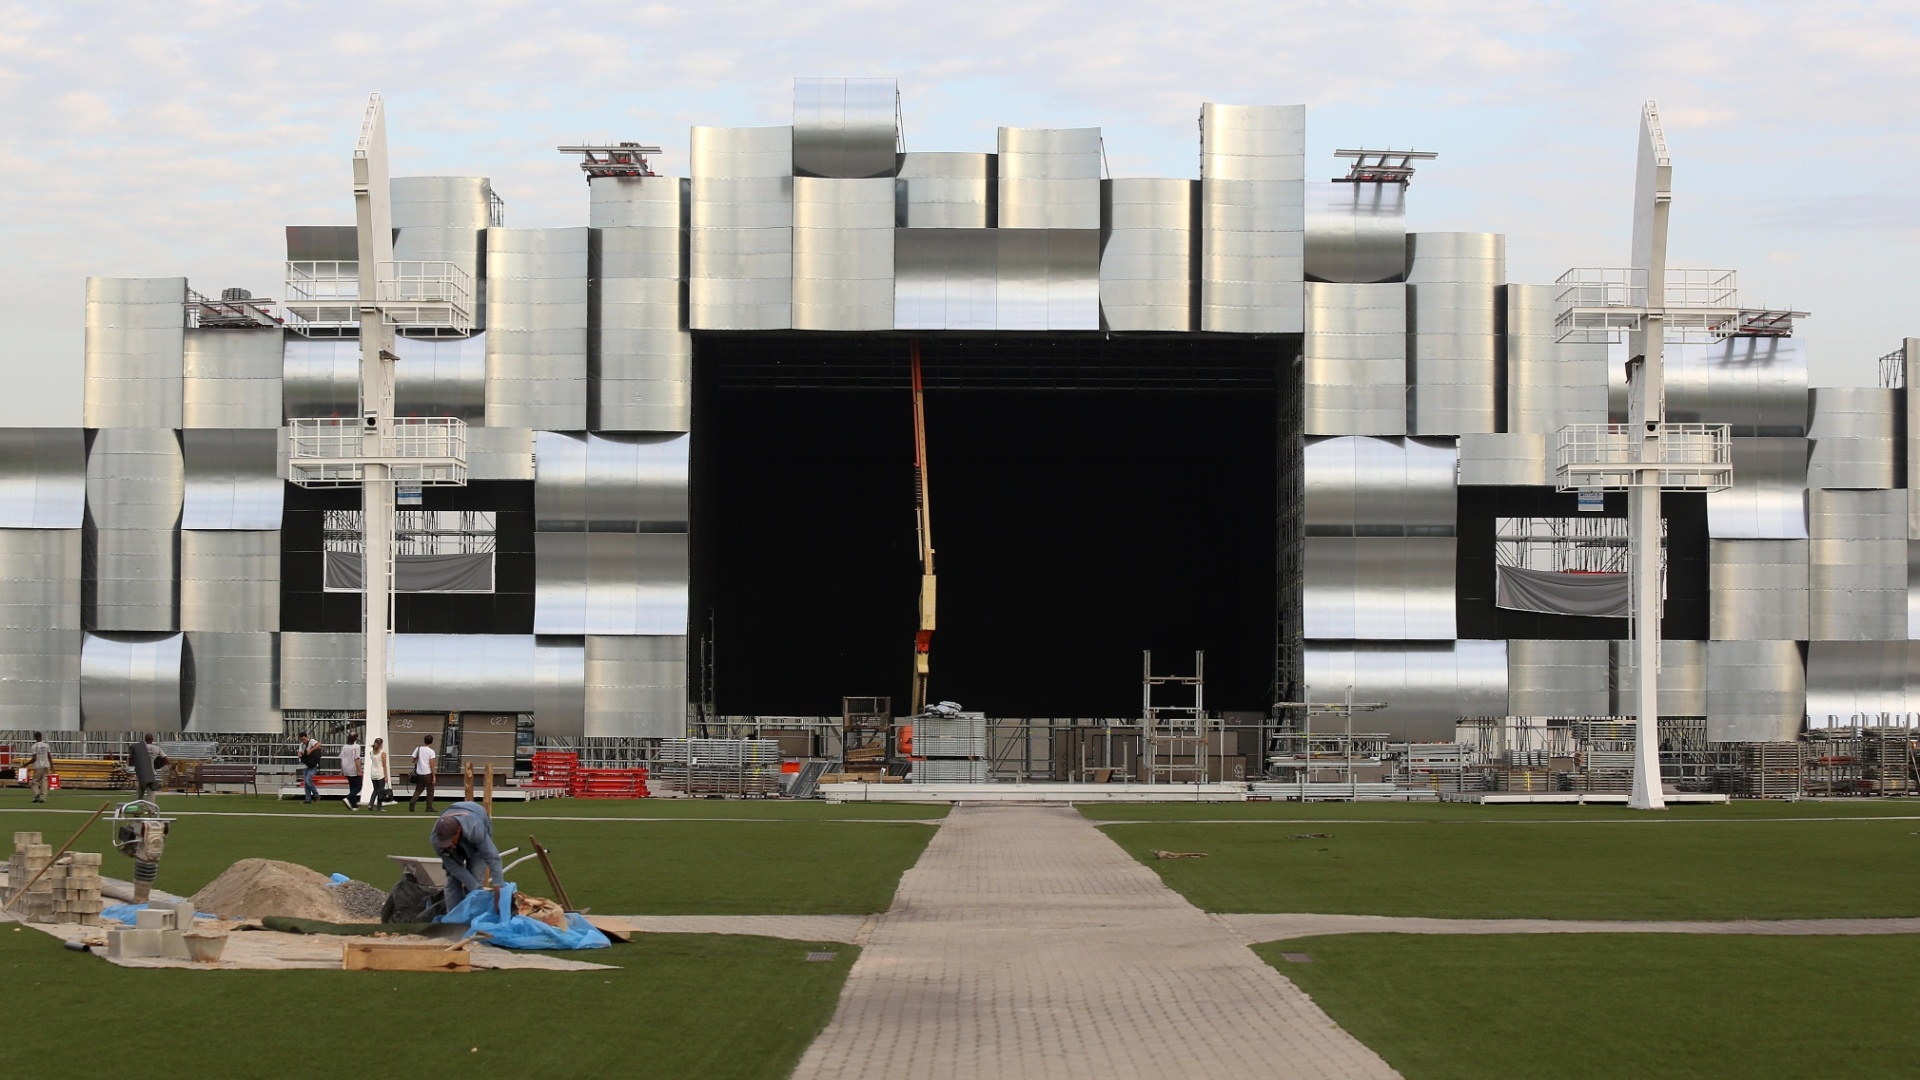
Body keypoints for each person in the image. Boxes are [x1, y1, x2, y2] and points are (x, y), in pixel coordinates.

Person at [430, 801, 505, 911]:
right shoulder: (436, 840)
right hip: (457, 814)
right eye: (445, 842)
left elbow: (492, 857)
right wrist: (476, 887)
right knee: (453, 880)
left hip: (477, 815)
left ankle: (475, 916)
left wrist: (498, 887)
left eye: (450, 841)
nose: (449, 844)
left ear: (458, 830)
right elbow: (454, 868)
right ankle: (453, 919)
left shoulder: (475, 828)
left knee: (476, 874)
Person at [129, 734, 167, 800]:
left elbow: (130, 758)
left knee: (140, 791)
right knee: (151, 792)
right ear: (152, 739)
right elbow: (166, 759)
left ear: (145, 739)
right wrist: (158, 765)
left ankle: (137, 807)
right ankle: (151, 809)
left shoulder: (140, 748)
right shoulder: (157, 748)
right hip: (151, 772)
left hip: (141, 772)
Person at [407, 735, 437, 813]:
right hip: (427, 773)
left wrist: (419, 760)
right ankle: (429, 807)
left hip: (419, 773)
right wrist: (434, 776)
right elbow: (432, 764)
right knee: (430, 791)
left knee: (418, 789)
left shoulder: (418, 749)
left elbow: (413, 760)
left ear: (424, 741)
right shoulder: (431, 752)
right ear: (431, 741)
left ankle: (413, 801)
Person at [296, 734, 323, 804]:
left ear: (307, 738)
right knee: (306, 783)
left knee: (308, 780)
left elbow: (319, 745)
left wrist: (310, 750)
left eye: (304, 739)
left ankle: (316, 795)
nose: (303, 741)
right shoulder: (301, 745)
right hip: (306, 765)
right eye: (301, 739)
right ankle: (308, 799)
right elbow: (299, 752)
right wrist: (299, 754)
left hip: (313, 764)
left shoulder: (311, 741)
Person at [340, 732, 363, 811]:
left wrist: (342, 769)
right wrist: (360, 770)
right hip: (353, 767)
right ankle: (348, 798)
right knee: (358, 786)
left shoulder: (345, 747)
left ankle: (354, 805)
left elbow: (342, 758)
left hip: (346, 767)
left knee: (352, 786)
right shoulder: (356, 747)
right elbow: (357, 758)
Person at [28, 731, 52, 803]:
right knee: (44, 782)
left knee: (34, 782)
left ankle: (36, 795)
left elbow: (34, 758)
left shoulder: (34, 746)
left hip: (38, 766)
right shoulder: (46, 745)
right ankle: (43, 798)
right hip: (46, 765)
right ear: (41, 737)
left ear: (35, 738)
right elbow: (49, 756)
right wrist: (52, 767)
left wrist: (26, 764)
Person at [368, 737, 390, 812]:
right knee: (381, 791)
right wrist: (386, 776)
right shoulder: (382, 754)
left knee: (375, 790)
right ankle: (379, 807)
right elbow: (384, 766)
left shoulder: (371, 753)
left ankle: (370, 804)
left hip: (373, 774)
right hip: (380, 774)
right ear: (381, 744)